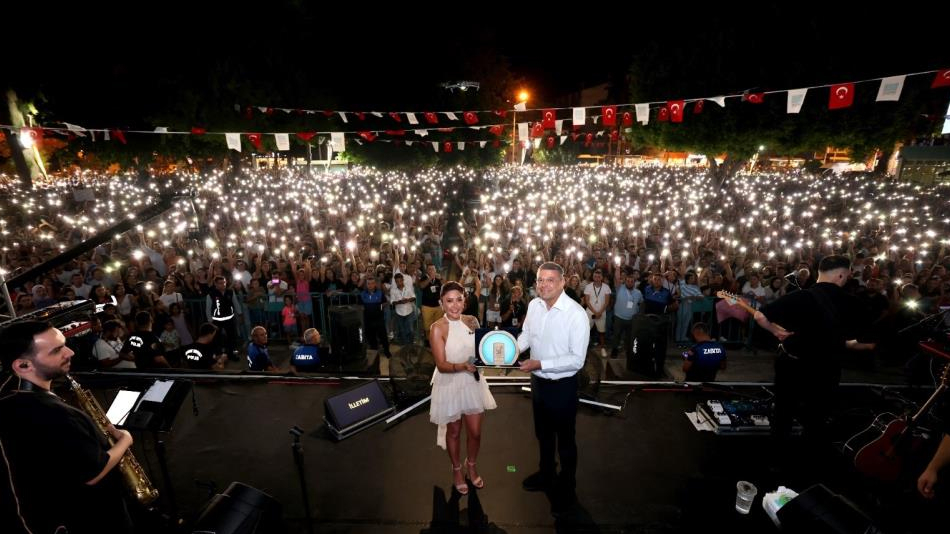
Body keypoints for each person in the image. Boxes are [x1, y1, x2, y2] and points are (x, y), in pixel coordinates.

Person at [0, 321, 134, 533]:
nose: (70, 352)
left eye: (65, 344)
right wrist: (125, 439)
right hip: (90, 521)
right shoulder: (51, 413)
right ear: (23, 365)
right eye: (57, 350)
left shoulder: (9, 400)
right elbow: (94, 472)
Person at [754, 255, 875, 466]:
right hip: (825, 368)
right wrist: (841, 344)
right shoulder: (853, 303)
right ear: (841, 274)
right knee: (816, 417)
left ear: (819, 273)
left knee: (783, 412)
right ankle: (808, 464)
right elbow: (864, 343)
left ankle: (776, 461)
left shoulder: (797, 297)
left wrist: (776, 331)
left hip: (791, 365)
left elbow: (759, 316)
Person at [517, 262, 590, 510]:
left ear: (562, 282)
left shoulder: (576, 314)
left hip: (563, 386)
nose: (544, 285)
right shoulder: (534, 305)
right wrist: (508, 350)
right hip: (538, 384)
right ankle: (546, 474)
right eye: (540, 280)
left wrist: (540, 363)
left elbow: (576, 359)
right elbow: (526, 335)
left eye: (550, 280)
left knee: (566, 440)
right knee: (543, 434)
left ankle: (567, 486)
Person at [429, 281, 496, 496]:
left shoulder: (473, 321)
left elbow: (482, 350)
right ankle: (457, 469)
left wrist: (493, 356)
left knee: (475, 432)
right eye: (449, 301)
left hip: (472, 381)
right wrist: (463, 366)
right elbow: (441, 365)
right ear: (442, 303)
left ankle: (472, 464)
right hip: (450, 383)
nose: (455, 305)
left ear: (464, 300)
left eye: (459, 299)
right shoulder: (437, 327)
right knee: (455, 431)